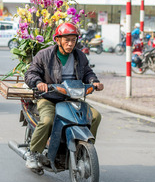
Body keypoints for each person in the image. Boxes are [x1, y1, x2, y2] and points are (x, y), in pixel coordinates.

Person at [23, 22, 104, 169]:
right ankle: (33, 153)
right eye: (67, 40)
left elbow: (87, 72)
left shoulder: (80, 56)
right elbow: (31, 73)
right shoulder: (44, 55)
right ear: (58, 40)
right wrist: (39, 82)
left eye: (73, 40)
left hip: (72, 98)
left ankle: (84, 149)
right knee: (47, 120)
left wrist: (94, 81)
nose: (70, 43)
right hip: (49, 98)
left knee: (95, 116)